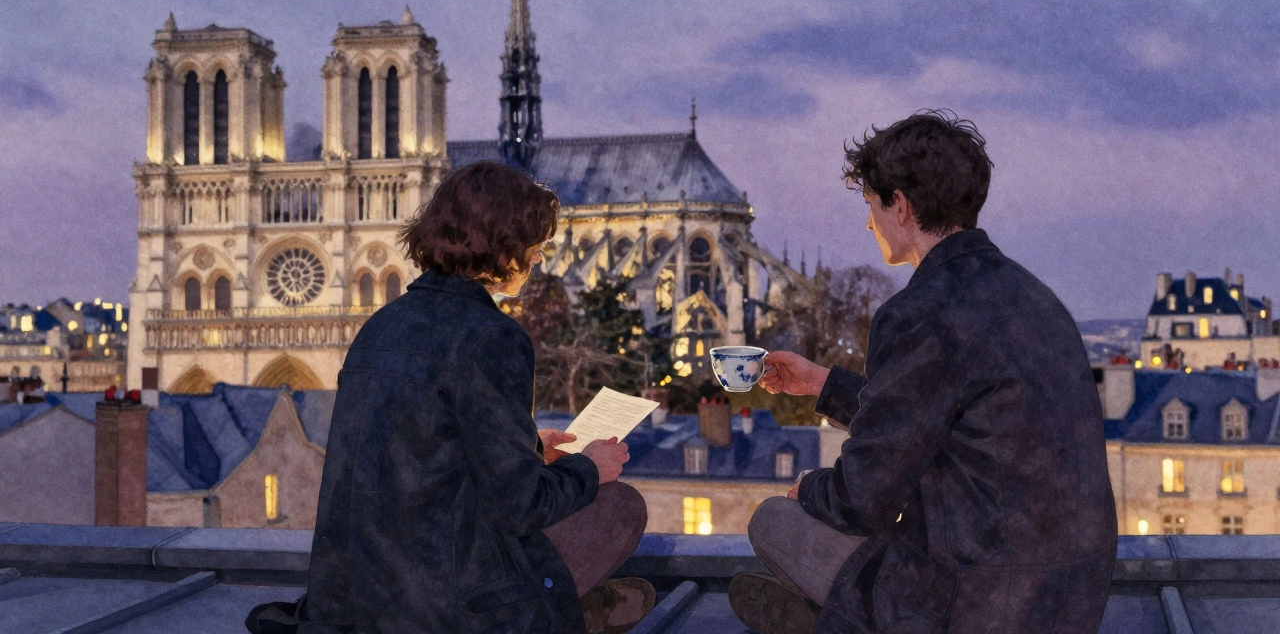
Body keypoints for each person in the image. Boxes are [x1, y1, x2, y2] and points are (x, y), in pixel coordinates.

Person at [729, 111, 1117, 634]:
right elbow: (942, 415)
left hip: (977, 605)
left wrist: (809, 489)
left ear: (901, 206)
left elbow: (862, 501)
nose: (869, 224)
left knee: (774, 521)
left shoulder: (919, 311)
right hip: (1072, 597)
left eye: (871, 205)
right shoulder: (1034, 296)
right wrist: (822, 384)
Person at [293, 161, 655, 633]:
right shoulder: (492, 337)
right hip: (438, 608)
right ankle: (565, 610)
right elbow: (521, 506)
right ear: (504, 247)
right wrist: (589, 466)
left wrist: (529, 448)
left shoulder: (381, 325)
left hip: (354, 596)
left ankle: (578, 603)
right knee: (618, 505)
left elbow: (419, 456)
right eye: (534, 245)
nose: (538, 258)